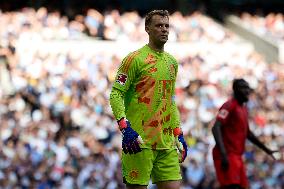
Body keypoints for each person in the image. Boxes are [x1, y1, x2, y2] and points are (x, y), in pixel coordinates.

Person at [109, 10, 188, 189]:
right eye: (159, 25)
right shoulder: (134, 59)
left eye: (166, 26)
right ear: (147, 29)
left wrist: (178, 133)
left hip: (166, 143)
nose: (164, 29)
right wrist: (125, 128)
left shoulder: (172, 63)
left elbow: (170, 99)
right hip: (139, 141)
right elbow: (116, 93)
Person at [212, 78, 278, 189]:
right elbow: (216, 127)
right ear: (235, 90)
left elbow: (248, 133)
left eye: (248, 88)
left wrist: (266, 149)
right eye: (243, 88)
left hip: (237, 156)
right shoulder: (229, 106)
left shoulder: (243, 109)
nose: (247, 91)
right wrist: (223, 153)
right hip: (228, 154)